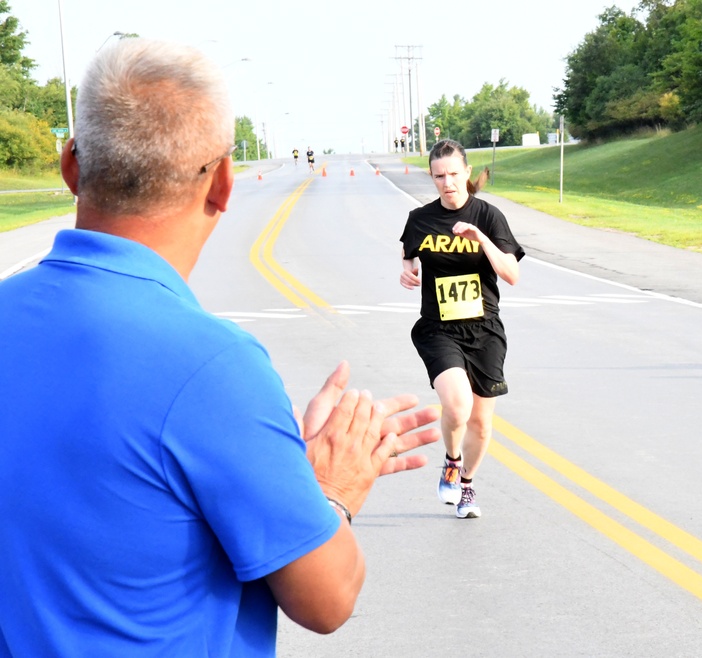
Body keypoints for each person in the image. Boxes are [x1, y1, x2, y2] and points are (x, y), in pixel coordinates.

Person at [0, 39, 440, 657]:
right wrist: (331, 488)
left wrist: (277, 473)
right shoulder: (212, 367)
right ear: (225, 183)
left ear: (71, 166)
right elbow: (329, 596)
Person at [399, 139, 524, 519]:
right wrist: (407, 269)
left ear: (466, 173)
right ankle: (451, 462)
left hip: (485, 329)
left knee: (482, 425)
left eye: (454, 174)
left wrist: (480, 238)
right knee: (457, 405)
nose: (447, 182)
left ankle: (466, 485)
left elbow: (511, 274)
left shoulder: (489, 216)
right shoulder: (420, 219)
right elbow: (408, 254)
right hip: (439, 328)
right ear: (432, 177)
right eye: (439, 176)